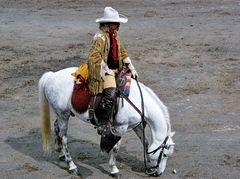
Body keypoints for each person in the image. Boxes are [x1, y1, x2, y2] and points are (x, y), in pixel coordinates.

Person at [87, 7, 138, 125]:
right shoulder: (99, 37)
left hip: (116, 68)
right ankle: (102, 122)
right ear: (109, 24)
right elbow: (93, 56)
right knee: (110, 93)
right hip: (103, 69)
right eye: (116, 23)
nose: (118, 25)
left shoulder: (114, 34)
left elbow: (122, 50)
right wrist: (106, 70)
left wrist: (131, 66)